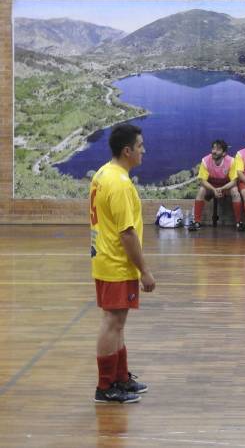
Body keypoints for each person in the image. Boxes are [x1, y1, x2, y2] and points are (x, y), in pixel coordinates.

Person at [90, 123, 156, 403]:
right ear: (127, 150)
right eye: (140, 146)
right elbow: (127, 233)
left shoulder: (105, 172)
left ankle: (120, 377)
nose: (144, 150)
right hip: (116, 262)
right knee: (112, 321)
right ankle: (105, 387)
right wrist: (145, 271)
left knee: (118, 322)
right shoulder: (119, 183)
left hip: (108, 260)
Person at [189, 139, 243, 231]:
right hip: (211, 187)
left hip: (226, 187)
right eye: (213, 148)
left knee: (235, 192)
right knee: (201, 190)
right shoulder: (205, 161)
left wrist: (221, 188)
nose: (214, 151)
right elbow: (202, 181)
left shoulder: (231, 161)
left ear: (224, 153)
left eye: (218, 149)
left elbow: (234, 181)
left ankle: (239, 223)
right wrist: (214, 190)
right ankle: (196, 222)